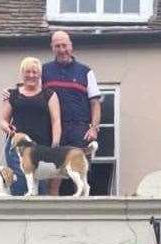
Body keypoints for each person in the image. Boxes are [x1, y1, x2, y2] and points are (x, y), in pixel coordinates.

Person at [42, 30, 101, 196]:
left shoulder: (85, 71)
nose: (62, 50)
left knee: (81, 178)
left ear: (71, 47)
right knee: (53, 179)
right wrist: (10, 96)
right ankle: (53, 218)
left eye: (64, 45)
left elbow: (95, 103)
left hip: (79, 130)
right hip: (53, 131)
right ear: (52, 48)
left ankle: (83, 217)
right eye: (57, 46)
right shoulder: (44, 71)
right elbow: (31, 92)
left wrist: (94, 128)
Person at [0, 57, 61, 196]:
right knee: (21, 183)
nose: (31, 75)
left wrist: (55, 144)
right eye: (27, 72)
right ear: (22, 73)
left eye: (34, 72)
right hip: (17, 148)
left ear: (40, 74)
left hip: (41, 148)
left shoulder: (49, 95)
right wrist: (7, 127)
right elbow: (2, 120)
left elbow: (56, 121)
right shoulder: (12, 94)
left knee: (41, 186)